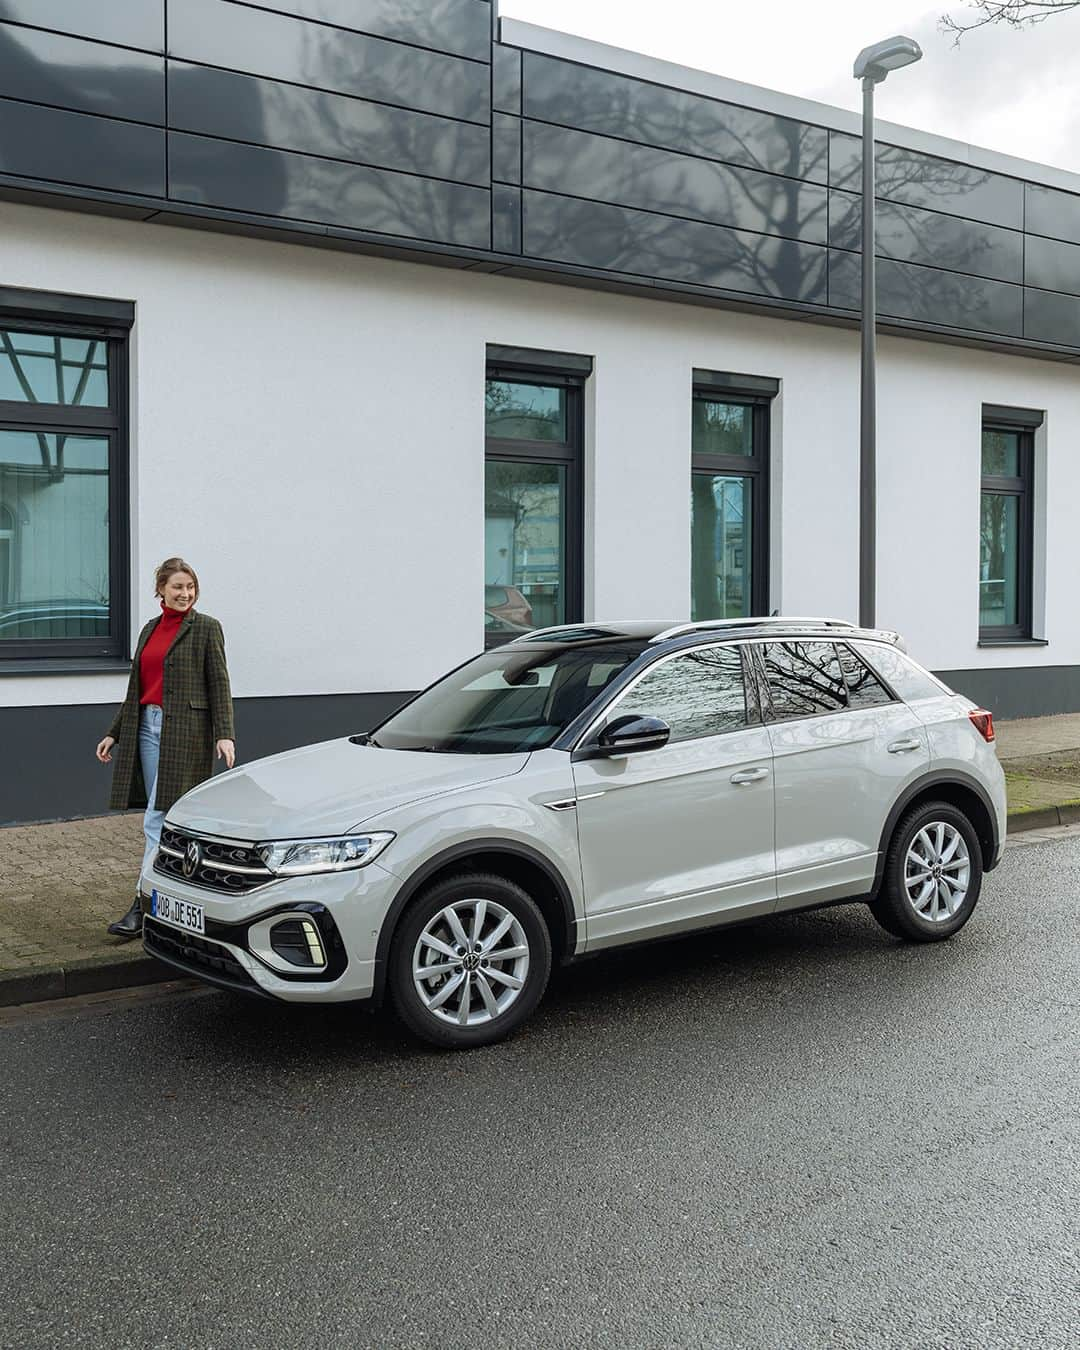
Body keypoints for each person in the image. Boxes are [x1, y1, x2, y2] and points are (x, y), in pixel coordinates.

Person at [96, 557, 235, 938]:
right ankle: (177, 899)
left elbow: (219, 683)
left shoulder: (207, 628)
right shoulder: (149, 630)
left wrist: (225, 733)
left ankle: (142, 906)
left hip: (186, 735)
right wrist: (115, 733)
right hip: (146, 728)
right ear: (160, 590)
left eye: (190, 587)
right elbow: (136, 690)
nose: (184, 594)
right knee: (171, 819)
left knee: (155, 820)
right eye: (177, 587)